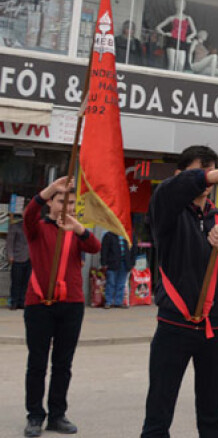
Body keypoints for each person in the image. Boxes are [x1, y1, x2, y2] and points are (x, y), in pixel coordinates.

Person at [141, 146, 218, 438]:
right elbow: (173, 190)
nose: (207, 184)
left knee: (212, 415)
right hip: (174, 325)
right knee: (158, 413)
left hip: (217, 327)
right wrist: (213, 175)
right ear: (180, 175)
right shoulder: (166, 210)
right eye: (201, 173)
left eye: (212, 174)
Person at [22, 177, 101, 437]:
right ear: (51, 204)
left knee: (63, 364)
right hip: (39, 305)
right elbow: (29, 213)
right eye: (60, 201)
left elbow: (94, 246)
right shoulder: (37, 228)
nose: (66, 206)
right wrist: (49, 190)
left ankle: (57, 415)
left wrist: (77, 227)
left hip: (71, 305)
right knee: (37, 363)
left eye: (70, 203)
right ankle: (35, 415)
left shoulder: (75, 231)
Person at [100, 231, 131, 309]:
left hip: (125, 263)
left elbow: (133, 249)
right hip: (112, 262)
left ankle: (118, 302)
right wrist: (104, 263)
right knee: (111, 282)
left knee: (121, 283)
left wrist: (132, 262)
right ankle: (109, 302)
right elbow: (104, 250)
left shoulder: (127, 234)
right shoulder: (109, 235)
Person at [8, 210, 30, 311]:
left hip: (30, 258)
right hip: (18, 257)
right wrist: (10, 255)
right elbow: (10, 242)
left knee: (26, 282)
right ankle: (14, 302)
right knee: (16, 281)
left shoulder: (33, 226)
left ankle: (22, 301)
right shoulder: (15, 226)